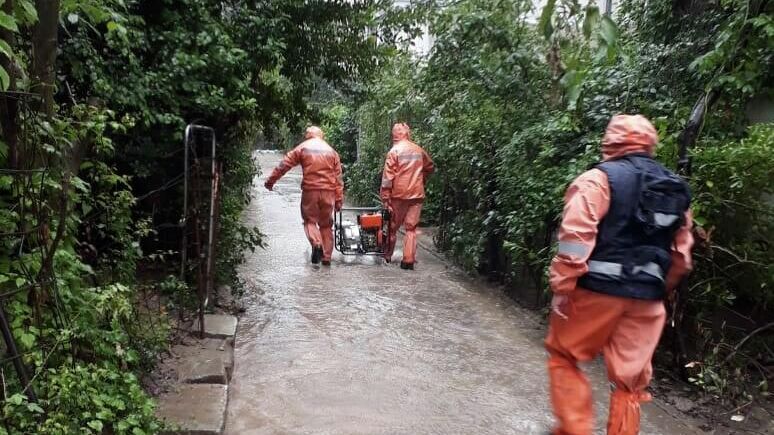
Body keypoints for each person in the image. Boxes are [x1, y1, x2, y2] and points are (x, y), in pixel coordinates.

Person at [544, 114, 694, 435]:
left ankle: (574, 429)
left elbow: (575, 236)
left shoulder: (599, 179)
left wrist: (563, 285)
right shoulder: (674, 188)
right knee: (630, 384)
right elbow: (681, 255)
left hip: (593, 293)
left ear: (609, 143)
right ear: (650, 144)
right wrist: (658, 288)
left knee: (564, 356)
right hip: (648, 299)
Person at [264, 126, 344, 266]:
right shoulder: (332, 152)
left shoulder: (303, 148)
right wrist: (339, 200)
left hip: (310, 191)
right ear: (321, 136)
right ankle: (326, 258)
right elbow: (338, 179)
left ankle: (317, 244)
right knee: (326, 225)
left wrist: (270, 181)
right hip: (329, 192)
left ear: (308, 136)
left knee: (310, 221)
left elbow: (284, 165)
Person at [379, 123, 434, 270]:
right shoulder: (418, 150)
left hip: (399, 195)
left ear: (394, 136)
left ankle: (387, 256)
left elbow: (387, 178)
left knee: (392, 227)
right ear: (407, 134)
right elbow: (430, 166)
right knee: (411, 228)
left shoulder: (394, 151)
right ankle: (408, 260)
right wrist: (421, 179)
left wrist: (385, 197)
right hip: (416, 194)